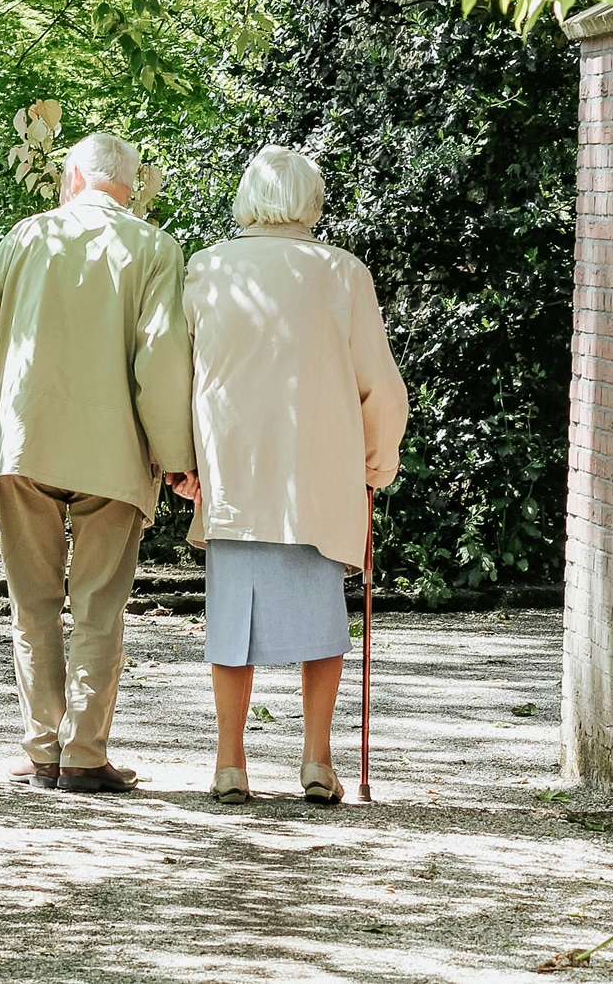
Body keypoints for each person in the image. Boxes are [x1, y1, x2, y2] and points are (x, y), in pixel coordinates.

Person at [0, 133, 200, 794]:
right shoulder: (154, 247)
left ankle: (42, 749)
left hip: (26, 441)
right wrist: (176, 458)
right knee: (98, 605)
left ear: (75, 178)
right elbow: (162, 357)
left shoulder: (26, 236)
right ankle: (83, 753)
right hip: (115, 452)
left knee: (32, 603)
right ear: (129, 185)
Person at [178, 145, 409, 805]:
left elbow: (180, 375)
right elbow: (381, 387)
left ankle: (229, 762)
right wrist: (377, 459)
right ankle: (315, 759)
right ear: (312, 200)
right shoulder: (342, 274)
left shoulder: (207, 268)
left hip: (236, 471)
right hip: (318, 472)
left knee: (230, 621)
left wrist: (182, 461)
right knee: (321, 620)